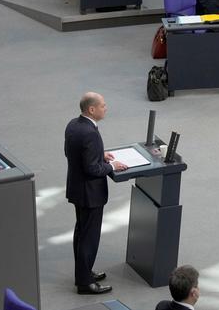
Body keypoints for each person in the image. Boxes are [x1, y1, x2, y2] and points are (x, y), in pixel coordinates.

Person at [64, 92, 128, 295]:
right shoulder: (90, 132)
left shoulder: (73, 124)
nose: (106, 108)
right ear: (92, 109)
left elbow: (72, 152)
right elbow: (93, 169)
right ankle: (85, 283)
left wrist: (99, 154)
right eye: (103, 105)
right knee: (88, 238)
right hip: (90, 194)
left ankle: (84, 273)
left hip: (77, 190)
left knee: (81, 233)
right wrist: (111, 166)